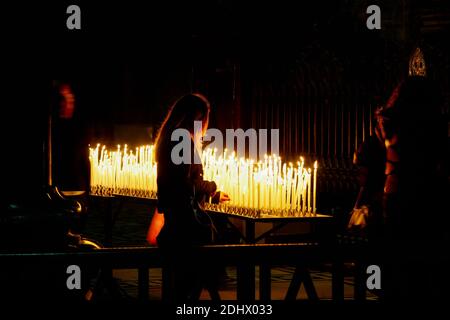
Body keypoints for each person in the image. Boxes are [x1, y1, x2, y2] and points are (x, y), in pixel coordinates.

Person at [154, 93, 229, 301]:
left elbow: (178, 181)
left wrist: (212, 195)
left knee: (178, 285)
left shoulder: (171, 137)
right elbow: (186, 184)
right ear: (199, 118)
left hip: (175, 219)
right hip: (184, 225)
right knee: (186, 285)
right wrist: (211, 187)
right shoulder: (182, 140)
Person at [348, 107, 386, 243]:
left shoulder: (389, 144)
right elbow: (364, 181)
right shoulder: (369, 146)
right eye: (383, 122)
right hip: (372, 202)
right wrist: (358, 205)